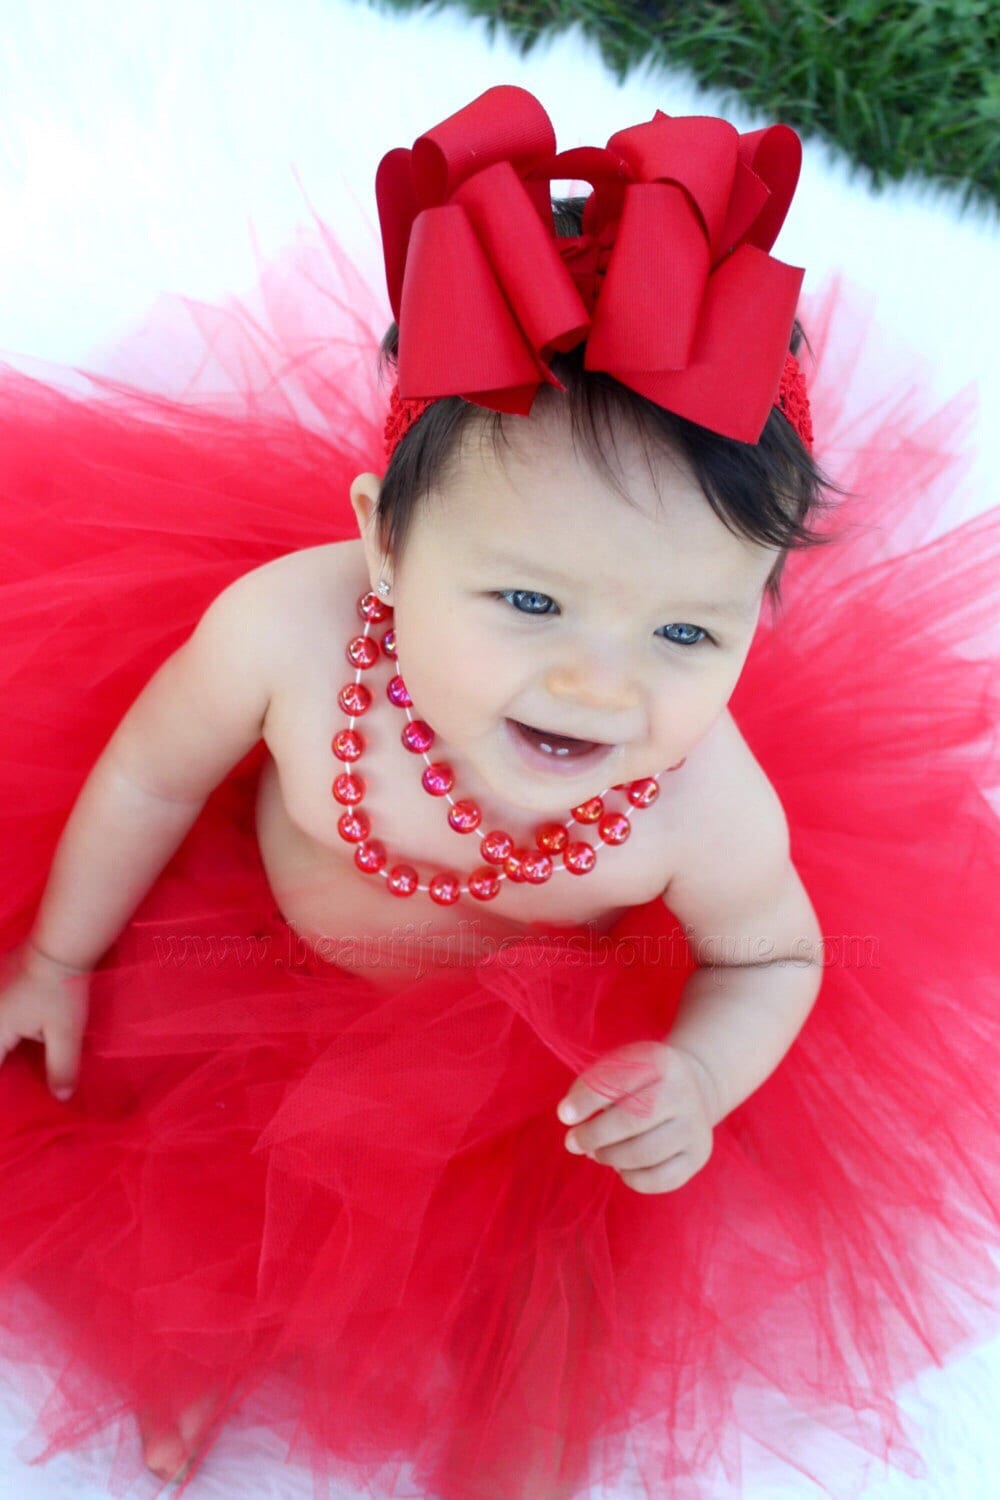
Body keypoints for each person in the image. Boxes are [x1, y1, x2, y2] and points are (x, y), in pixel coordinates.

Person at [0, 84, 996, 1500]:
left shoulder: (697, 802)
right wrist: (58, 952)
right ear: (384, 545)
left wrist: (701, 1073)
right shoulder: (289, 631)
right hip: (253, 960)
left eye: (684, 634)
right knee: (187, 1178)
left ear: (758, 618)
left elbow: (775, 949)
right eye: (528, 598)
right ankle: (196, 1350)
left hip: (524, 1073)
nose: (599, 686)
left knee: (557, 1283)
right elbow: (153, 777)